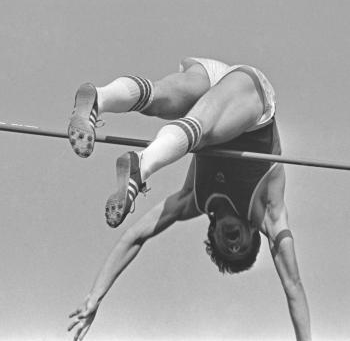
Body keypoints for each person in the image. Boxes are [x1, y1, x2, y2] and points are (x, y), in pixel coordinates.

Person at [67, 58, 311, 340]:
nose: (233, 245)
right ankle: (141, 167)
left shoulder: (193, 199)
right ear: (253, 231)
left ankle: (100, 96)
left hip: (213, 75)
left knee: (158, 100)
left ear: (214, 237)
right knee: (201, 128)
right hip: (252, 99)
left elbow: (134, 237)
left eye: (227, 249)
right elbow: (293, 286)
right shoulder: (267, 212)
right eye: (241, 247)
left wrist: (95, 295)